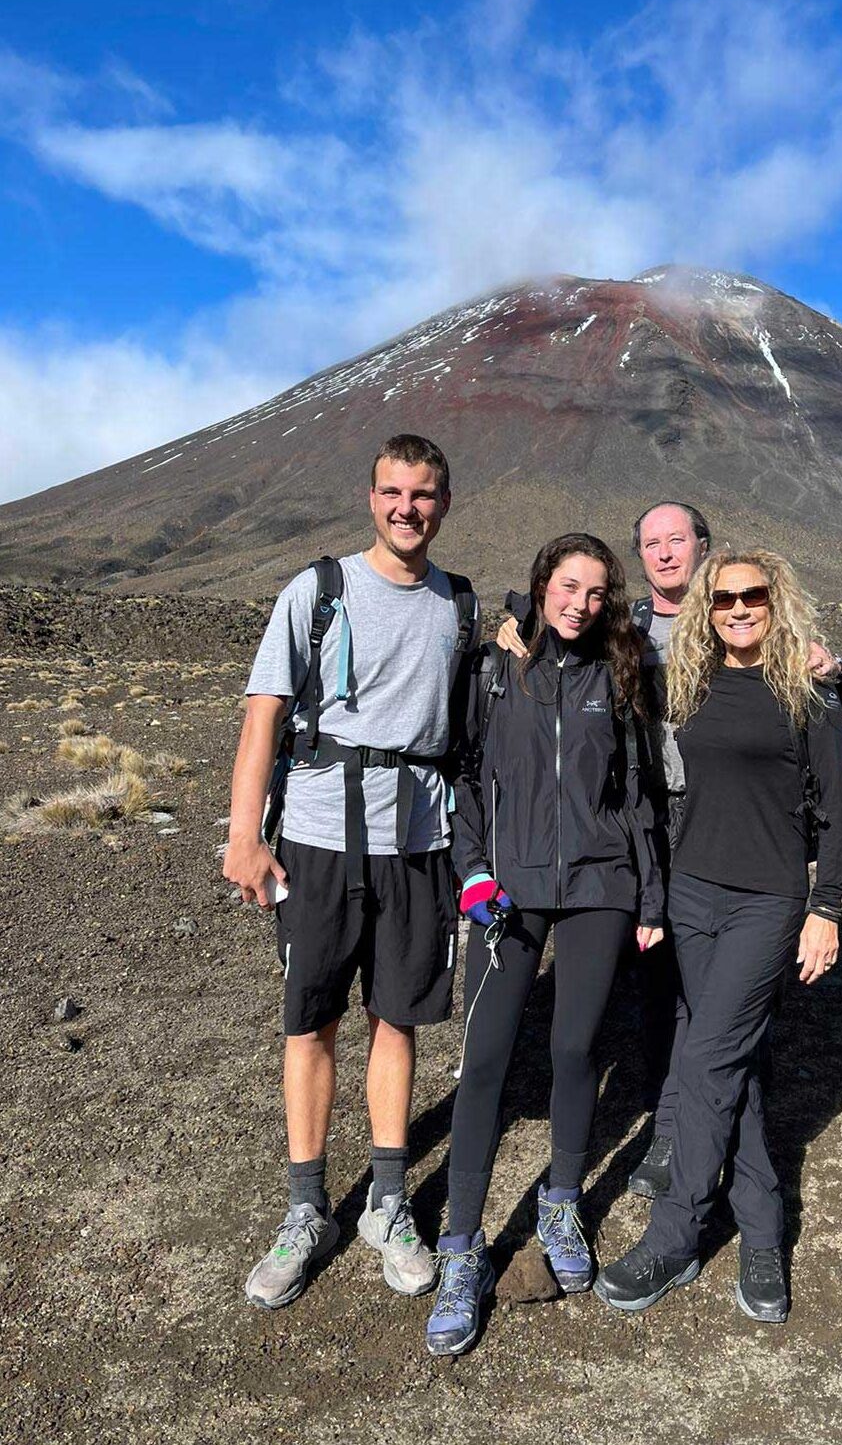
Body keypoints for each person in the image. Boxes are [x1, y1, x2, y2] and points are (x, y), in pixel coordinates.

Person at [496, 502, 842, 1197]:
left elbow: (813, 708)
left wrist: (833, 667)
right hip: (649, 815)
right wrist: (516, 625)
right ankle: (669, 1122)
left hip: (728, 817)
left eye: (676, 541)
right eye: (651, 544)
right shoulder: (621, 625)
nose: (663, 554)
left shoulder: (746, 619)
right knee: (664, 985)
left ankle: (724, 1127)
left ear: (705, 548)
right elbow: (559, 644)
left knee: (730, 996)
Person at [224, 433, 478, 1311]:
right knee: (313, 1020)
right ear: (371, 498)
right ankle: (305, 1211)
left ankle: (387, 1202)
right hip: (321, 842)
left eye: (424, 494)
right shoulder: (319, 589)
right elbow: (264, 715)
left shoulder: (461, 606)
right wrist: (244, 835)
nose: (407, 508)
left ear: (445, 503)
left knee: (397, 1019)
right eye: (392, 492)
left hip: (418, 847)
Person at [594, 548, 842, 1323]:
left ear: (778, 602)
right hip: (692, 895)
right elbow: (597, 667)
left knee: (706, 1059)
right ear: (704, 609)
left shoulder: (809, 691)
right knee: (729, 1068)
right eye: (724, 599)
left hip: (766, 902)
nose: (739, 609)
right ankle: (765, 1232)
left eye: (754, 596)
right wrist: (515, 626)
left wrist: (826, 908)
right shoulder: (688, 684)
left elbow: (835, 811)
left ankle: (674, 1236)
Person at [425, 532, 665, 1357]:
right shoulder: (497, 670)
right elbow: (462, 775)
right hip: (510, 893)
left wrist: (650, 894)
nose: (581, 604)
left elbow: (636, 794)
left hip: (601, 888)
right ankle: (462, 1249)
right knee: (486, 1059)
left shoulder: (620, 672)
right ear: (541, 584)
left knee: (574, 1051)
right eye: (569, 586)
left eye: (598, 593)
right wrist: (473, 873)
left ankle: (562, 1203)